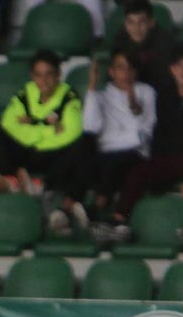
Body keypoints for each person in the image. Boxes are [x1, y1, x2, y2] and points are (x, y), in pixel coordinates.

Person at [48, 49, 157, 237]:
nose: (125, 73)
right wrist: (91, 87)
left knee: (112, 161)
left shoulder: (146, 92)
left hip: (134, 154)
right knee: (85, 148)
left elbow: (143, 134)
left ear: (135, 72)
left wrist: (131, 99)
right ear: (111, 72)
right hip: (106, 151)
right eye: (120, 68)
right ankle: (66, 209)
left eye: (130, 69)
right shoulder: (102, 95)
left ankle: (92, 210)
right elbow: (90, 126)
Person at [96, 41, 183, 241]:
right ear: (172, 70)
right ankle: (118, 221)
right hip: (171, 160)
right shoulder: (165, 96)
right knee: (139, 171)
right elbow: (159, 136)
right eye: (179, 65)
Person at [0, 49, 84, 197]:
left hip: (52, 153)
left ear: (58, 75)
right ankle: (11, 179)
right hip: (29, 150)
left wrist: (31, 124)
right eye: (38, 75)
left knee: (80, 146)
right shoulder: (24, 94)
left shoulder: (69, 97)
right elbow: (8, 123)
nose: (44, 81)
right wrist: (50, 128)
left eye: (49, 74)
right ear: (32, 76)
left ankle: (44, 187)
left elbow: (72, 132)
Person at [110, 0, 176, 90]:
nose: (136, 28)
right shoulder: (120, 39)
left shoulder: (165, 41)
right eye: (131, 22)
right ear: (125, 24)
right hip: (129, 90)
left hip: (159, 92)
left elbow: (166, 79)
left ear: (151, 22)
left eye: (142, 22)